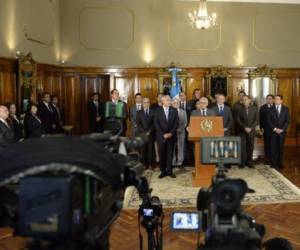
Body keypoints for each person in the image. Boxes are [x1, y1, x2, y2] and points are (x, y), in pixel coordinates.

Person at [154, 95, 179, 178]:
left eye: (169, 100)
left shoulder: (174, 110)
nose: (169, 101)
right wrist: (163, 134)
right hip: (161, 137)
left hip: (171, 136)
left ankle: (169, 171)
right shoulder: (157, 111)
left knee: (170, 154)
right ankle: (163, 171)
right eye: (167, 100)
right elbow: (156, 124)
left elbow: (176, 123)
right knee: (162, 154)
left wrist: (170, 133)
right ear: (163, 102)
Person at [235, 95, 258, 168]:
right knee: (243, 147)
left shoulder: (255, 109)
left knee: (250, 147)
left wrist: (251, 128)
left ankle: (249, 162)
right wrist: (245, 127)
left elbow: (256, 120)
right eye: (243, 100)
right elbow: (238, 120)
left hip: (251, 131)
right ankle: (243, 162)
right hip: (242, 131)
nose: (244, 101)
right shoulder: (239, 109)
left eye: (246, 99)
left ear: (249, 100)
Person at [267, 95, 290, 169]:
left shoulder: (286, 109)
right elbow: (269, 121)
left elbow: (287, 121)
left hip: (282, 132)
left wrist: (282, 129)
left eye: (277, 99)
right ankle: (273, 163)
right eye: (275, 99)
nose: (276, 100)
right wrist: (275, 129)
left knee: (280, 148)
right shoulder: (270, 109)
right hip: (273, 132)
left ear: (281, 101)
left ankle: (280, 163)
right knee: (273, 148)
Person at [136, 97, 155, 169]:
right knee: (143, 150)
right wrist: (144, 132)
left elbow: (154, 123)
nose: (146, 104)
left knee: (150, 150)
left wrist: (149, 131)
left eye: (147, 102)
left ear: (149, 103)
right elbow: (138, 124)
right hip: (142, 134)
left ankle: (150, 164)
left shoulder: (153, 111)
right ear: (142, 104)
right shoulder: (139, 112)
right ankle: (144, 164)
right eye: (144, 102)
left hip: (151, 133)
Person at [172, 99, 187, 168]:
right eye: (174, 103)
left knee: (180, 147)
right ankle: (173, 162)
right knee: (172, 148)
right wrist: (173, 130)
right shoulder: (170, 111)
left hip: (181, 132)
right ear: (172, 104)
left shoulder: (183, 112)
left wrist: (180, 129)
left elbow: (185, 123)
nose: (176, 104)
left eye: (177, 102)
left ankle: (180, 162)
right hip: (172, 133)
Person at [259, 94, 274, 163]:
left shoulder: (275, 107)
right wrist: (261, 128)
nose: (269, 100)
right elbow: (260, 119)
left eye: (270, 98)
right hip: (266, 128)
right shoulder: (263, 107)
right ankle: (267, 157)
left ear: (273, 99)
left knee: (274, 143)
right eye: (268, 98)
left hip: (274, 129)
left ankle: (273, 157)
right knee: (267, 143)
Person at [150, 93, 163, 164]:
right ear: (157, 98)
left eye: (162, 97)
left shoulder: (165, 105)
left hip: (164, 128)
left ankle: (163, 157)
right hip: (155, 127)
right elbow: (151, 117)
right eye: (159, 97)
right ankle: (157, 157)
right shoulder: (153, 106)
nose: (160, 98)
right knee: (156, 142)